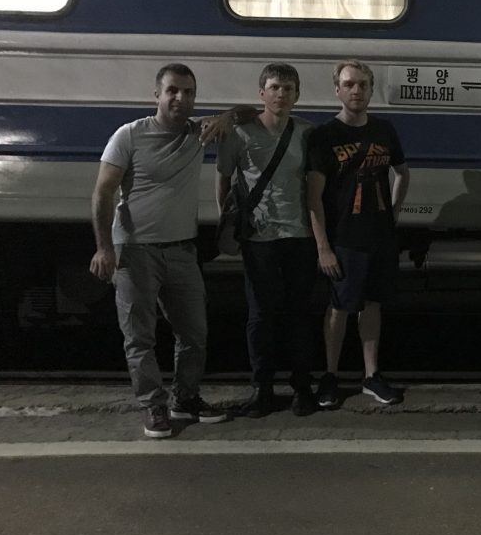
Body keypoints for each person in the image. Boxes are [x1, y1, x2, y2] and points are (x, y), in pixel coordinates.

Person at [89, 63, 228, 438]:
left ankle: (185, 398)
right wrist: (104, 248)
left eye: (188, 92)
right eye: (172, 91)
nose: (180, 99)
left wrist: (228, 116)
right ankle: (154, 407)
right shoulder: (129, 136)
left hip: (182, 250)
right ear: (157, 95)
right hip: (135, 251)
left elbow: (247, 114)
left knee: (194, 333)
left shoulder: (199, 132)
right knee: (140, 336)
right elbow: (103, 193)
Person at [215, 63, 320, 418]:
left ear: (297, 95)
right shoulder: (240, 135)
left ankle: (301, 387)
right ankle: (262, 387)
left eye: (288, 89)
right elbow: (225, 181)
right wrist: (231, 220)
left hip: (299, 234)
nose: (281, 94)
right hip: (258, 238)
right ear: (261, 93)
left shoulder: (308, 133)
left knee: (299, 314)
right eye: (274, 87)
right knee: (260, 315)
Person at [306, 60, 410, 405]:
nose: (357, 91)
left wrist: (392, 213)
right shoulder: (325, 136)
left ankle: (370, 375)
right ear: (337, 90)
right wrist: (323, 247)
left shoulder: (385, 129)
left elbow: (403, 173)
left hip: (379, 236)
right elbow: (313, 197)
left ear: (371, 89)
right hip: (344, 237)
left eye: (363, 85)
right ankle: (330, 376)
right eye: (349, 84)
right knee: (339, 307)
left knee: (373, 303)